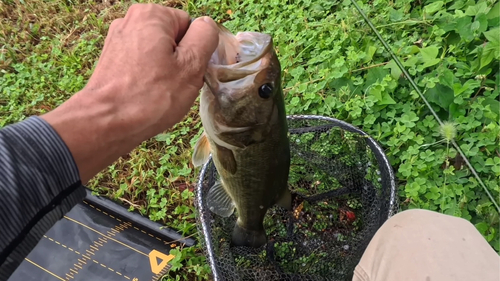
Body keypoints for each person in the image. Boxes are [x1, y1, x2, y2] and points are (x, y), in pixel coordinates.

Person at [0, 4, 498, 281]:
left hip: (242, 167)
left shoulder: (233, 132)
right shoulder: (233, 128)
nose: (263, 77)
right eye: (268, 88)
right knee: (419, 230)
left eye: (264, 88)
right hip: (246, 161)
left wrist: (108, 110)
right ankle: (251, 218)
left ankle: (249, 221)